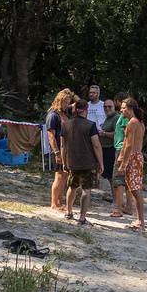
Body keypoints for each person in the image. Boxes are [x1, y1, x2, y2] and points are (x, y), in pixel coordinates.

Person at [60, 93, 103, 225]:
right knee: (86, 189)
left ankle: (68, 212)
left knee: (72, 187)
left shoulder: (66, 124)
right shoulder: (91, 125)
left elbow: (63, 145)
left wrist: (63, 162)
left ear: (75, 109)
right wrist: (101, 163)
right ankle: (82, 217)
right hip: (88, 163)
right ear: (86, 110)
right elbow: (96, 145)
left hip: (72, 161)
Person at [118, 96, 147, 231]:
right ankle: (139, 220)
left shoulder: (132, 123)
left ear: (129, 109)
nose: (121, 110)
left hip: (133, 158)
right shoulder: (139, 122)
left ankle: (140, 222)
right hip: (138, 156)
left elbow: (129, 145)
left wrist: (123, 164)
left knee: (135, 190)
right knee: (134, 189)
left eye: (123, 108)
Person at [45, 88, 76, 212]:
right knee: (58, 176)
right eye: (65, 102)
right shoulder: (53, 115)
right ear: (59, 101)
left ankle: (59, 201)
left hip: (67, 149)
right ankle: (54, 203)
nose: (67, 104)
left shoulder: (65, 112)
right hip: (58, 149)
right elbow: (51, 135)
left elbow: (79, 103)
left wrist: (70, 94)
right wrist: (57, 153)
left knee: (65, 175)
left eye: (69, 102)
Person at [109, 92, 132, 216]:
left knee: (118, 179)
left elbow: (127, 137)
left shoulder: (124, 117)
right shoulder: (131, 118)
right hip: (125, 150)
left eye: (123, 106)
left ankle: (118, 209)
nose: (121, 108)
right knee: (127, 180)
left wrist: (122, 155)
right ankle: (128, 206)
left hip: (121, 150)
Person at [99, 95, 122, 216]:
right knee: (108, 176)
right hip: (104, 149)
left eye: (109, 106)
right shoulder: (108, 118)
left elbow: (117, 134)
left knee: (112, 177)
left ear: (114, 107)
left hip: (111, 149)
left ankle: (117, 201)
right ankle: (115, 199)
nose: (107, 108)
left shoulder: (116, 118)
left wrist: (104, 133)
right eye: (105, 106)